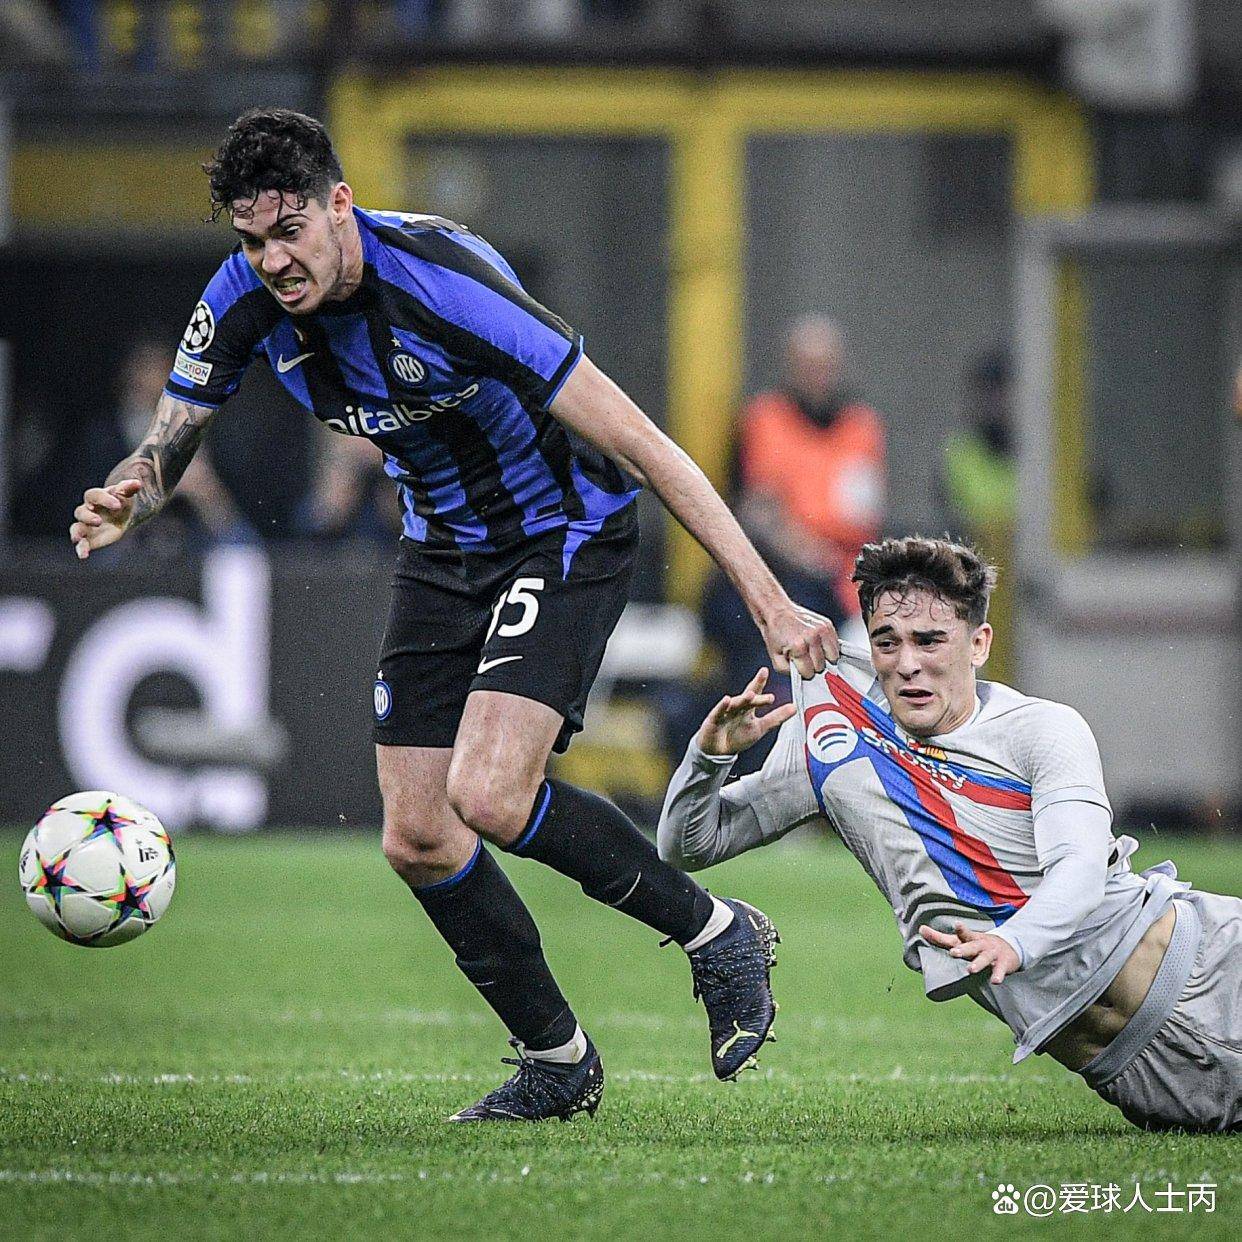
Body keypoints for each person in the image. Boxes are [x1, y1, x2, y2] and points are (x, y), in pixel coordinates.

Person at [68, 108, 837, 1122]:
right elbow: (171, 438)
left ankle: (716, 933)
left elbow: (649, 448)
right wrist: (137, 489)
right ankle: (557, 1060)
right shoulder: (242, 298)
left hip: (564, 530)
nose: (273, 260)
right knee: (420, 834)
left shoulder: (446, 287)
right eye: (252, 241)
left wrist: (770, 598)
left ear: (340, 206)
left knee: (489, 791)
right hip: (442, 546)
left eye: (290, 231)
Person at [659, 536, 1241, 1132]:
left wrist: (1014, 942)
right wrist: (708, 759)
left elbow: (1082, 868)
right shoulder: (831, 751)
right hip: (1141, 1072)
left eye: (930, 640)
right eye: (887, 642)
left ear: (978, 643)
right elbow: (688, 845)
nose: (907, 663)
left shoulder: (1042, 729)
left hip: (1215, 968)